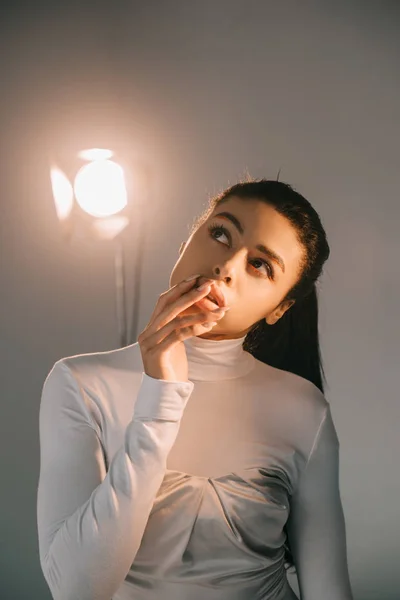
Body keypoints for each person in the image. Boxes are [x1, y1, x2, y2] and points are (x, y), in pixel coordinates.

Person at [37, 179, 354, 600]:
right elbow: (75, 590)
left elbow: (329, 591)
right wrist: (160, 397)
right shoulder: (79, 383)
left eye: (259, 265)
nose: (227, 266)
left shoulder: (304, 409)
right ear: (190, 236)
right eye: (221, 233)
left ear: (279, 309)